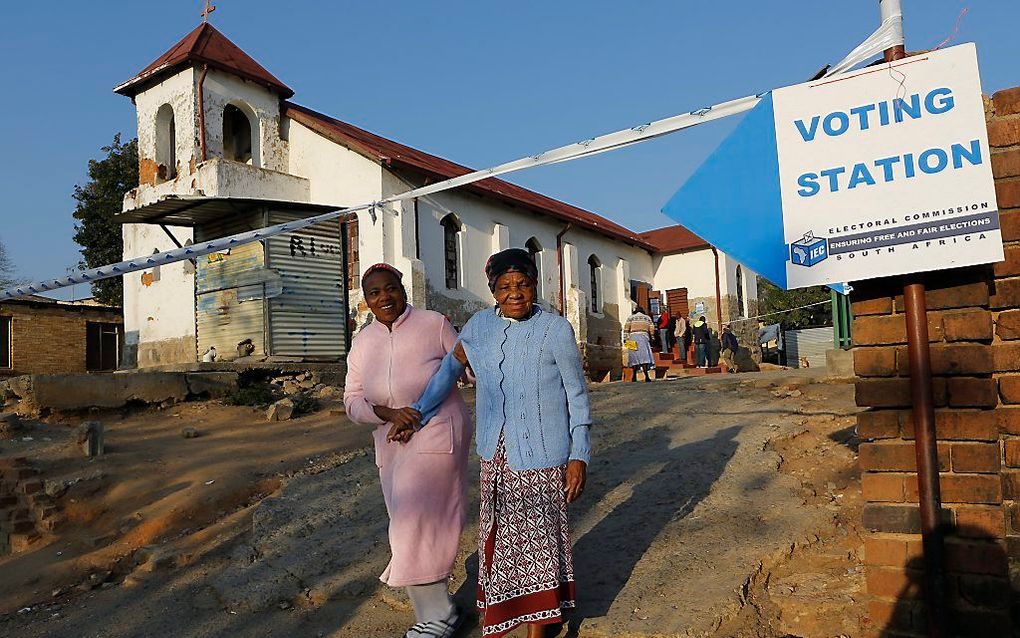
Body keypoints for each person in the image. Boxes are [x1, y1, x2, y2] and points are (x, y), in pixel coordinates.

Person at [407, 248, 591, 638]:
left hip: (544, 454)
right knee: (500, 541)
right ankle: (508, 615)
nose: (515, 293)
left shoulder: (555, 330)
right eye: (505, 286)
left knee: (540, 542)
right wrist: (417, 412)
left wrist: (580, 455)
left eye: (523, 284)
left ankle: (539, 626)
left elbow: (577, 394)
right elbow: (448, 369)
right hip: (495, 455)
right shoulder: (477, 328)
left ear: (534, 285)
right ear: (492, 289)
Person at [342, 263, 471, 638]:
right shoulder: (363, 342)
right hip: (390, 443)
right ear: (365, 301)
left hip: (435, 434)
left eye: (390, 289)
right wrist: (384, 412)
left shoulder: (433, 323)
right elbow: (351, 400)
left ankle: (436, 618)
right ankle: (439, 609)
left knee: (414, 522)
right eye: (374, 293)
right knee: (405, 523)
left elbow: (468, 368)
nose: (384, 298)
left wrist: (473, 353)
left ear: (403, 288)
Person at [623, 306, 656, 382]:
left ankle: (634, 376)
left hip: (632, 337)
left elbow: (626, 328)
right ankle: (647, 377)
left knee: (634, 357)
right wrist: (652, 338)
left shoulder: (630, 318)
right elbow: (652, 329)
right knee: (644, 357)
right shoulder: (647, 318)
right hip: (643, 337)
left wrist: (625, 339)